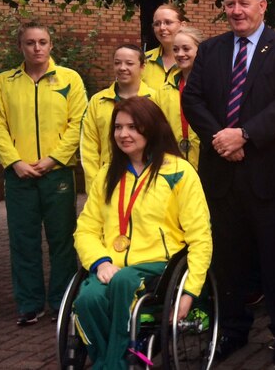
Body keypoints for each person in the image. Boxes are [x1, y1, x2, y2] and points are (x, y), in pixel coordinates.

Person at [181, 0, 275, 365]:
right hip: (221, 175)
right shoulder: (211, 50)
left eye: (244, 3)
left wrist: (246, 135)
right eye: (230, 4)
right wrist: (222, 138)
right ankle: (232, 332)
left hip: (267, 175)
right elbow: (193, 99)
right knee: (227, 263)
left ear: (262, 6)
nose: (236, 10)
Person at [72, 97, 212, 370]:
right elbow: (86, 229)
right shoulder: (106, 174)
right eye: (118, 127)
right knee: (88, 298)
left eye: (133, 127)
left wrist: (190, 292)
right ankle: (112, 362)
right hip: (111, 266)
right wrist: (100, 261)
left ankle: (110, 365)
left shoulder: (179, 172)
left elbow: (200, 236)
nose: (123, 134)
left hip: (159, 267)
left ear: (151, 128)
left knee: (125, 282)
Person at [0, 21, 87, 326]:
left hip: (57, 174)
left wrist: (54, 159)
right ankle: (30, 304)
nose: (37, 48)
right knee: (23, 240)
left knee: (62, 240)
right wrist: (14, 161)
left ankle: (62, 300)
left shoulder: (70, 79)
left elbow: (78, 124)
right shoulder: (3, 82)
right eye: (30, 42)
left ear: (51, 45)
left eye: (43, 42)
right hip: (18, 175)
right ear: (20, 46)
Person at [81, 44, 157, 192]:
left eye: (129, 63)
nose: (122, 68)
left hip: (145, 182)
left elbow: (161, 142)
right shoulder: (98, 101)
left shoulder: (155, 100)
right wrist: (95, 185)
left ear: (142, 67)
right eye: (117, 63)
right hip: (108, 179)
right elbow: (89, 146)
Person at [158, 26, 205, 169]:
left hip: (205, 161)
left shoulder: (213, 85)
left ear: (200, 50)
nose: (180, 54)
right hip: (173, 162)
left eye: (186, 49)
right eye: (176, 49)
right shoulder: (164, 90)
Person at [142, 4, 186, 91]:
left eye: (168, 22)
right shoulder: (143, 60)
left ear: (183, 25)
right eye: (157, 24)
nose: (162, 27)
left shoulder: (196, 60)